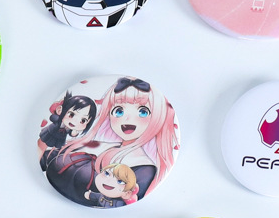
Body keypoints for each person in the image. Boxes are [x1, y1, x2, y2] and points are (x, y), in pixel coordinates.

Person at [41, 77, 178, 206]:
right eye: (119, 111)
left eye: (143, 112)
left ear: (158, 117)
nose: (127, 119)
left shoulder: (144, 168)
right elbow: (47, 156)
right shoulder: (99, 145)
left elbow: (120, 201)